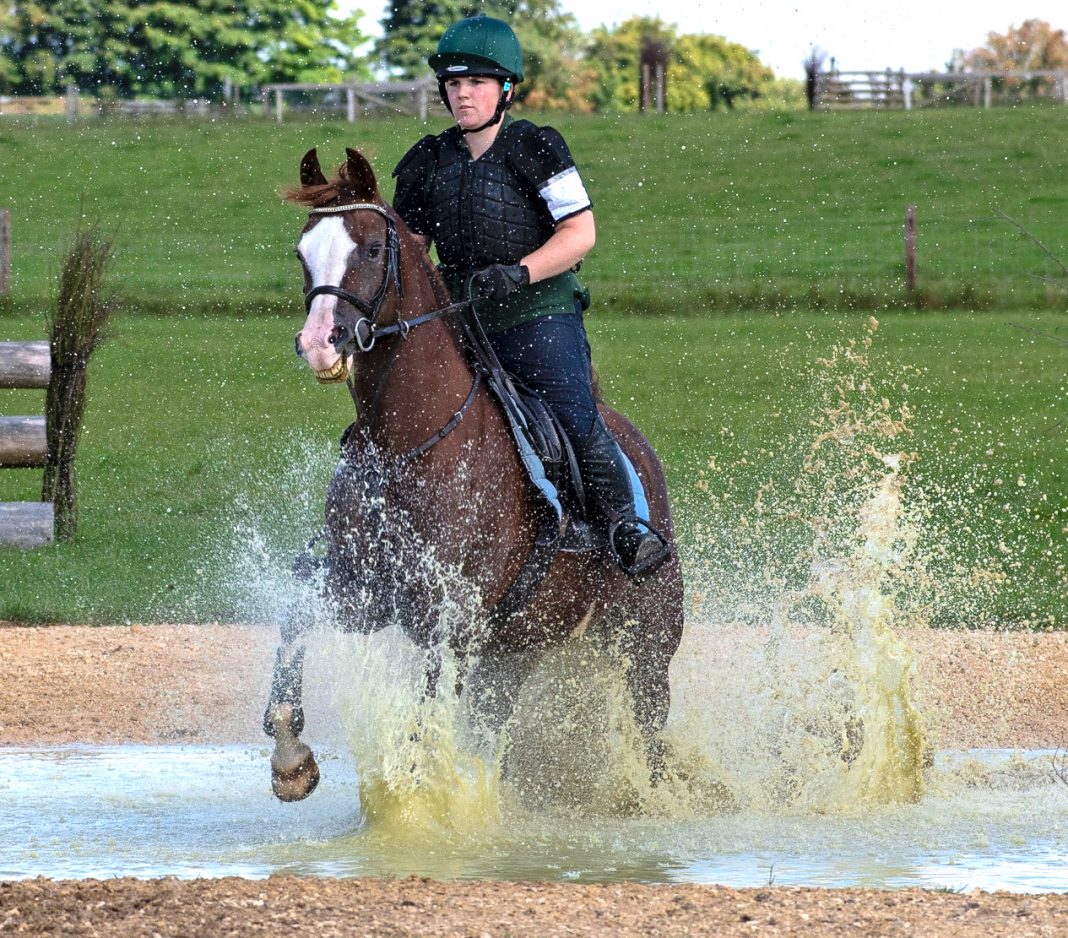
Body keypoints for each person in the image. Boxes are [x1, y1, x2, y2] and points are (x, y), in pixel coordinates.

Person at [391, 14, 669, 577]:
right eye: (453, 84)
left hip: (537, 315)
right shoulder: (425, 163)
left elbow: (580, 233)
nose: (463, 93)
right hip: (461, 323)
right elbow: (411, 253)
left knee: (572, 414)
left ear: (506, 89)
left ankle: (624, 528)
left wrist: (519, 272)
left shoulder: (537, 147)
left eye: (476, 82)